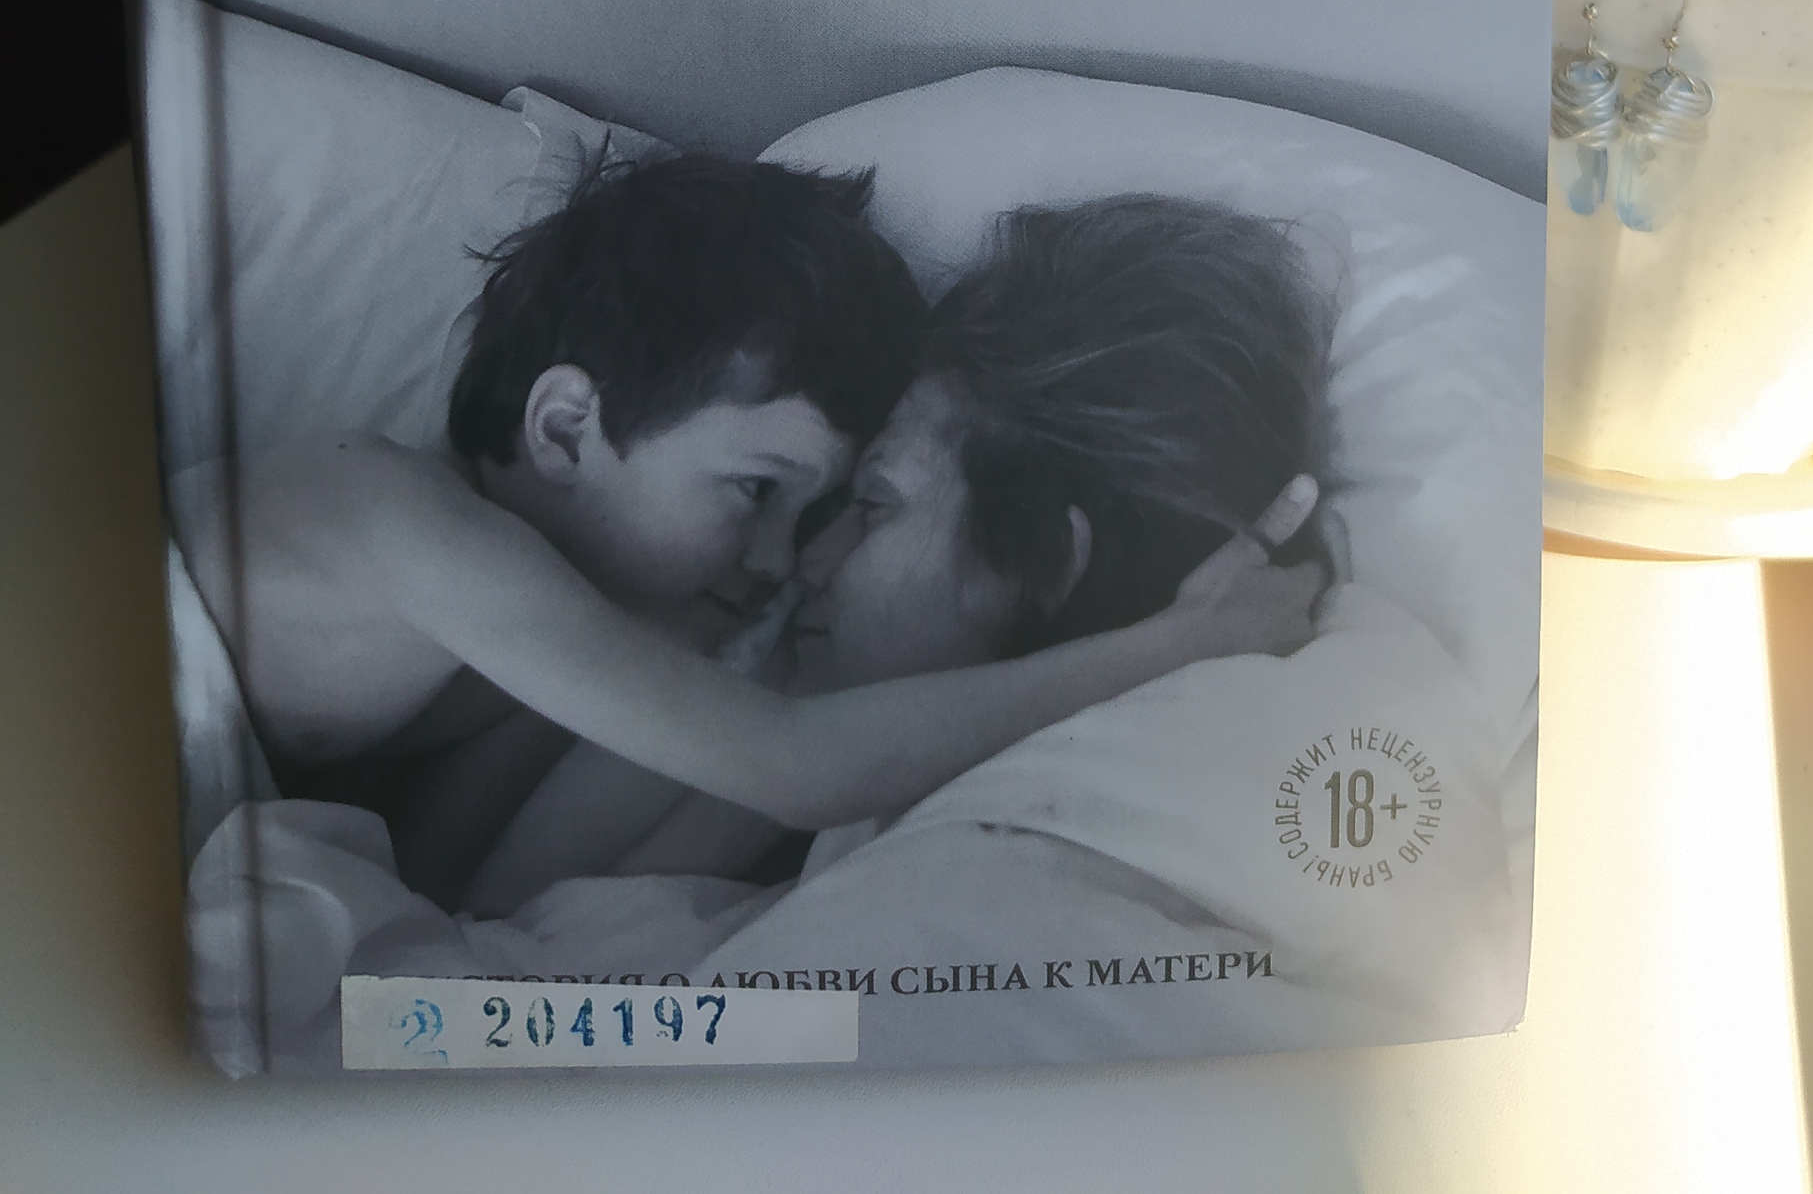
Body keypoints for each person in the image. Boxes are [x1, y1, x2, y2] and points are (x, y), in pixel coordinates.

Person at [172, 155, 1319, 905]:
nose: (782, 559)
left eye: (837, 507)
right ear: (565, 428)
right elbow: (791, 762)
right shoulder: (405, 527)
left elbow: (433, 884)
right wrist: (1178, 645)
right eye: (755, 491)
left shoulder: (561, 617)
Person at [461, 193, 1330, 912]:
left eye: (872, 505)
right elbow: (490, 912)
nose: (804, 561)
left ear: (1042, 561)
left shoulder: (980, 882)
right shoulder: (796, 720)